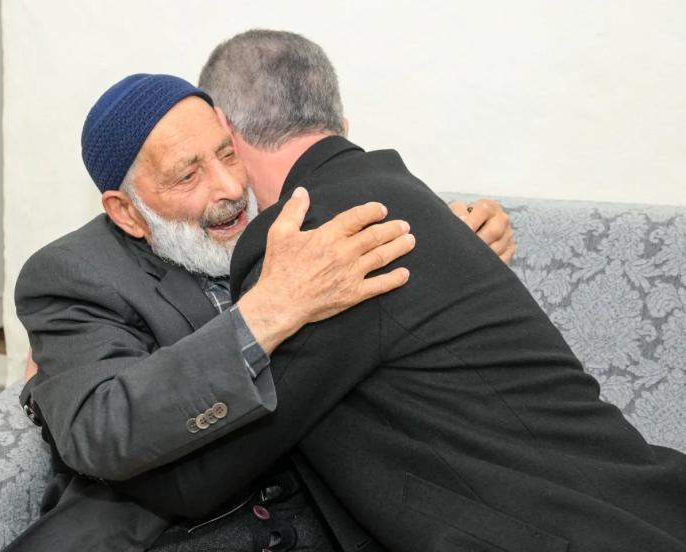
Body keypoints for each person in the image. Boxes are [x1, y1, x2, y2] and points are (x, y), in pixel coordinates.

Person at [111, 30, 686, 552]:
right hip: (642, 502)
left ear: (226, 132)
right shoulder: (403, 195)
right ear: (336, 115)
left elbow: (196, 479)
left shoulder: (314, 243)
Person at [10, 75, 515, 552]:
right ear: (126, 211)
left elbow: (381, 260)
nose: (230, 187)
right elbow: (102, 429)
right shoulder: (73, 273)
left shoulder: (289, 212)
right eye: (188, 175)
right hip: (177, 533)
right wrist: (266, 313)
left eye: (227, 153)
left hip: (329, 520)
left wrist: (455, 241)